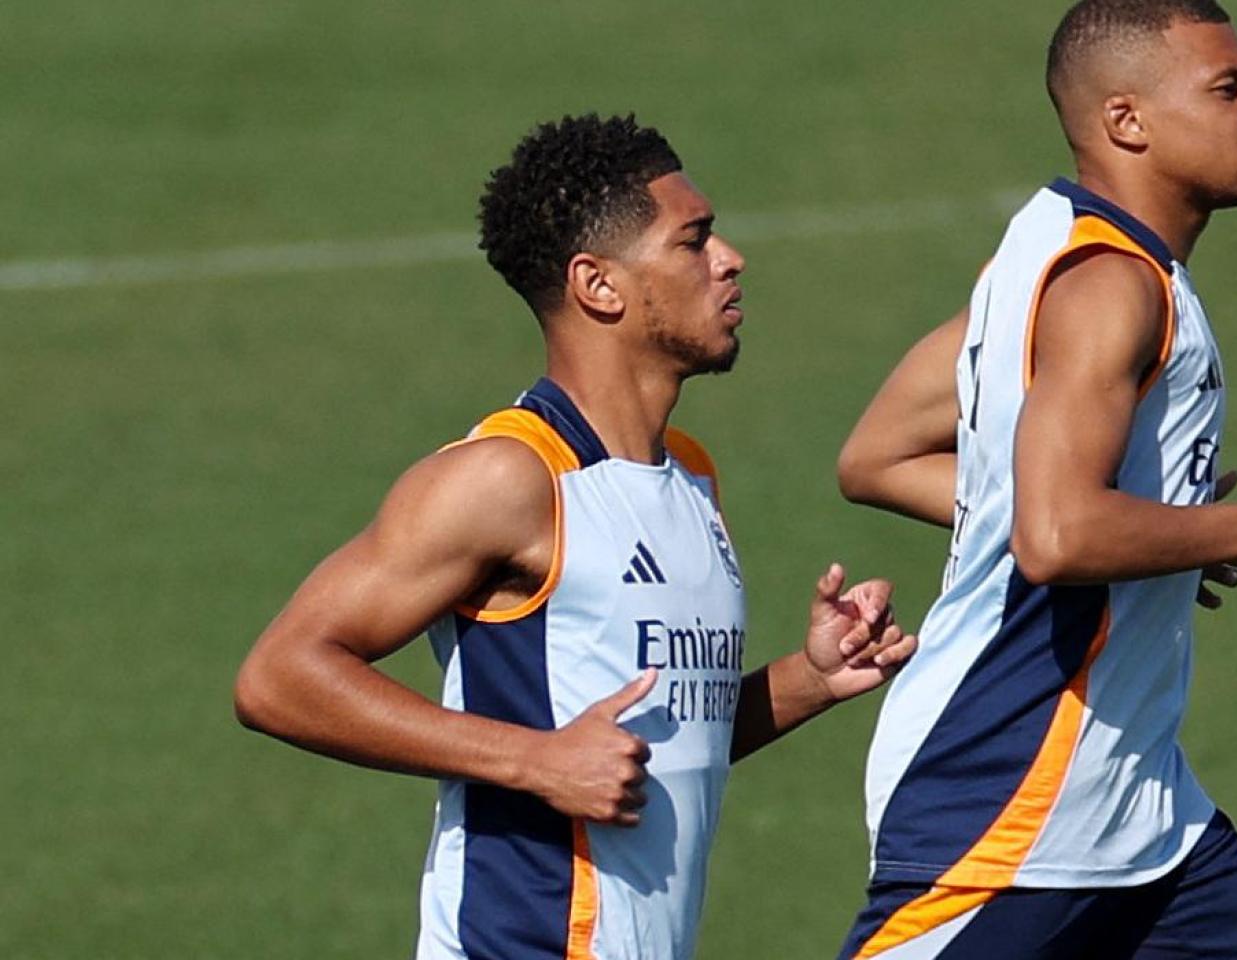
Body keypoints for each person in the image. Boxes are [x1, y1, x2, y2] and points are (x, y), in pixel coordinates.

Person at [233, 113, 917, 960]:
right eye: (692, 241)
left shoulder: (692, 478)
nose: (729, 259)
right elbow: (278, 677)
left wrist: (811, 680)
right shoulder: (507, 480)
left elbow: (648, 750)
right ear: (598, 285)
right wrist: (532, 761)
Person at [832, 2, 1237, 957]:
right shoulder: (1111, 290)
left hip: (1148, 825)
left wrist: (1155, 533)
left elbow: (881, 454)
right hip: (1008, 810)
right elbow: (1056, 536)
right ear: (1127, 121)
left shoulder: (1043, 249)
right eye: (1228, 89)